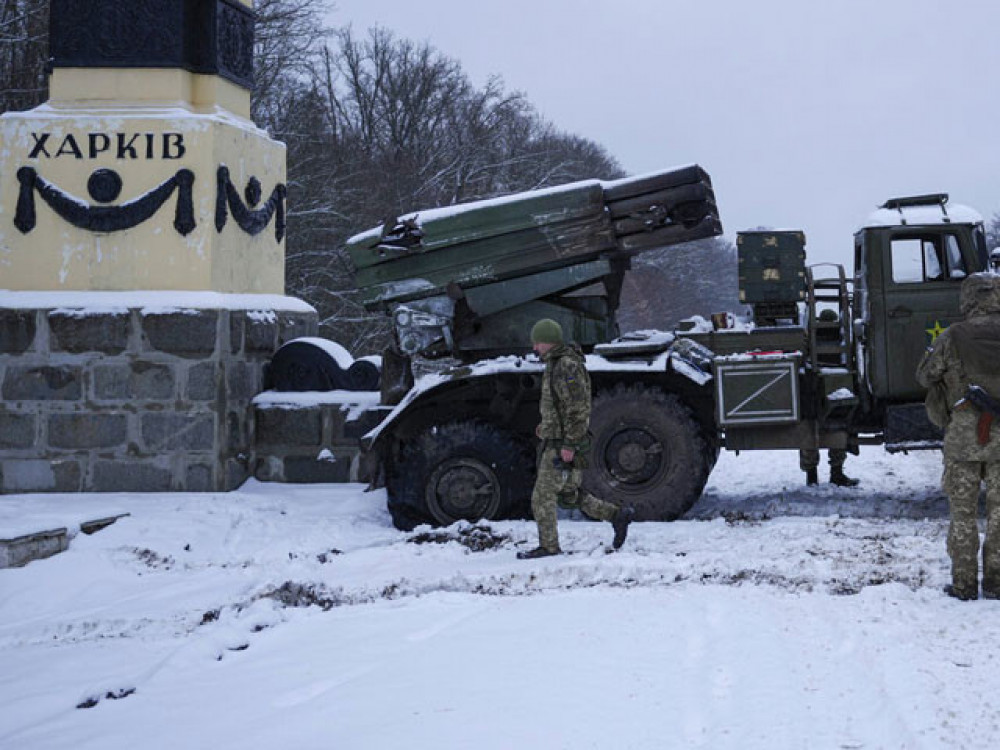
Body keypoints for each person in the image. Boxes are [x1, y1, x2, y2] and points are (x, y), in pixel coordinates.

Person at [517, 318, 634, 559]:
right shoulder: (555, 363)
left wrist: (569, 444)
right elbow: (560, 406)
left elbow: (578, 408)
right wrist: (546, 427)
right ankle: (616, 515)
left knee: (542, 496)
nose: (534, 348)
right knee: (569, 495)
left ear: (549, 342)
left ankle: (548, 547)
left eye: (537, 342)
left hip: (564, 443)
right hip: (557, 439)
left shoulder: (566, 366)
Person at [916, 272, 1000, 601]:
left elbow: (925, 375)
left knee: (963, 514)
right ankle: (996, 582)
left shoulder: (953, 336)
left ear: (968, 299)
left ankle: (964, 585)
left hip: (965, 439)